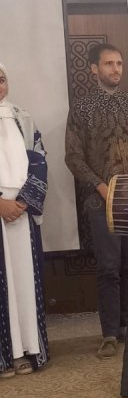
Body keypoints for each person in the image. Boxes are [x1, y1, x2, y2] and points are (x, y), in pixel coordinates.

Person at [65, 43, 128, 358]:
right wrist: (101, 186)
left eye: (119, 63)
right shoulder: (81, 108)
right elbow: (73, 157)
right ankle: (109, 333)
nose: (115, 69)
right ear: (94, 69)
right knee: (108, 267)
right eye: (108, 64)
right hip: (101, 200)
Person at [0, 63, 49, 378]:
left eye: (1, 78)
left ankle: (29, 351)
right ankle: (5, 355)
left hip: (22, 210)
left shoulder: (22, 116)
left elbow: (39, 159)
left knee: (24, 283)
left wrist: (22, 202)